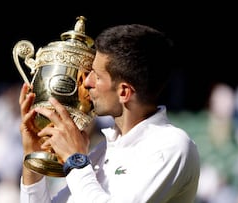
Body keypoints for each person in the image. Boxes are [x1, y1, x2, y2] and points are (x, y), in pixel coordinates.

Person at [19, 23, 200, 203]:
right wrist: (33, 160)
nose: (86, 82)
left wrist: (76, 161)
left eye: (96, 76)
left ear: (124, 92)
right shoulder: (104, 150)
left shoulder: (171, 146)